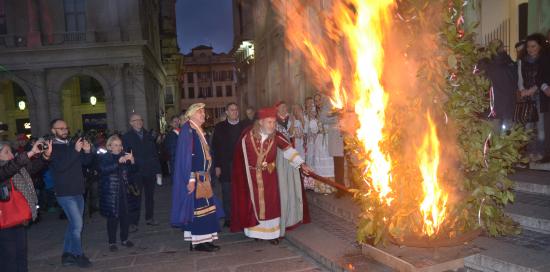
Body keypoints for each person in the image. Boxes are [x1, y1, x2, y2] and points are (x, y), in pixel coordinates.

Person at [231, 107, 313, 244]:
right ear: (260, 122)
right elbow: (239, 158)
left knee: (271, 204)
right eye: (269, 122)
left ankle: (272, 235)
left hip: (270, 177)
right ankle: (256, 232)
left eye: (274, 123)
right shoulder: (247, 136)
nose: (273, 125)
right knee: (254, 205)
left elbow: (288, 151)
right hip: (251, 179)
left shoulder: (276, 137)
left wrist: (301, 164)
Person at [170, 103, 222, 252]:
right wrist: (191, 179)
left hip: (204, 177)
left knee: (207, 209)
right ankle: (199, 243)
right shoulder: (188, 131)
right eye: (200, 112)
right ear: (191, 114)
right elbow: (188, 158)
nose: (203, 115)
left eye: (203, 112)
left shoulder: (197, 130)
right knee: (199, 210)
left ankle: (205, 240)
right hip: (197, 178)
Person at [0, 140, 51, 272]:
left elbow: (33, 168)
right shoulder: (5, 169)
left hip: (18, 216)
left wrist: (45, 156)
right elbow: (9, 169)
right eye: (6, 152)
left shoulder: (16, 167)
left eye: (11, 151)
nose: (11, 155)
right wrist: (31, 152)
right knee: (8, 257)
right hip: (3, 220)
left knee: (21, 253)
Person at [49, 119, 94, 267]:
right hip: (64, 192)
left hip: (78, 190)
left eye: (66, 128)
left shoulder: (70, 144)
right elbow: (61, 166)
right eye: (60, 128)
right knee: (77, 225)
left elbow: (85, 162)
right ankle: (78, 255)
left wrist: (87, 150)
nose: (64, 130)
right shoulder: (51, 147)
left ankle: (67, 254)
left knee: (73, 224)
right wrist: (75, 150)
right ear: (53, 130)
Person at [122, 113, 162, 231]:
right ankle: (133, 222)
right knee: (135, 198)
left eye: (140, 119)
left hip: (150, 171)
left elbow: (155, 154)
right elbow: (127, 155)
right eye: (135, 120)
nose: (139, 122)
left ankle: (149, 218)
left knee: (150, 197)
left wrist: (158, 170)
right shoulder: (127, 137)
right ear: (131, 123)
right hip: (136, 172)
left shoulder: (149, 135)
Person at [98, 135, 136, 252]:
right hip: (111, 192)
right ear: (109, 146)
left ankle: (124, 239)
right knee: (112, 218)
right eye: (115, 145)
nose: (118, 147)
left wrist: (133, 161)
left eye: (120, 145)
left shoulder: (124, 155)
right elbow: (103, 170)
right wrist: (118, 163)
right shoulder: (105, 157)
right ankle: (112, 242)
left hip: (125, 191)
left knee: (125, 216)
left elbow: (133, 172)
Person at [212, 102, 246, 228]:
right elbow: (215, 148)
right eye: (232, 110)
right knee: (227, 193)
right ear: (226, 112)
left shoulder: (245, 126)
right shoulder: (220, 127)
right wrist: (217, 166)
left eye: (236, 110)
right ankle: (228, 217)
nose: (235, 112)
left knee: (242, 192)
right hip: (226, 165)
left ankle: (242, 216)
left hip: (242, 165)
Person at [517, 33, 549, 162]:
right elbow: (520, 78)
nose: (530, 49)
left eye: (533, 46)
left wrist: (532, 90)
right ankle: (530, 152)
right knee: (528, 127)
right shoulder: (522, 61)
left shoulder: (544, 60)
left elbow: (542, 78)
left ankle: (540, 152)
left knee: (540, 127)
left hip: (540, 98)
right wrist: (522, 90)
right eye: (528, 46)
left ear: (539, 47)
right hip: (527, 98)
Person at [482, 39, 518, 134]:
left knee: (492, 139)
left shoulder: (486, 65)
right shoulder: (511, 64)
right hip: (508, 105)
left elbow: (482, 85)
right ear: (502, 48)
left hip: (492, 106)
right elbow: (515, 83)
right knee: (507, 139)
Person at [317, 93, 346, 196]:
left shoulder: (347, 98)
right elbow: (322, 118)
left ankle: (354, 189)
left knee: (352, 164)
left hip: (349, 135)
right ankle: (340, 189)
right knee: (338, 164)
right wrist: (336, 118)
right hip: (336, 137)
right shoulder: (329, 102)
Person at [305, 108, 336, 194]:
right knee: (320, 163)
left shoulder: (330, 119)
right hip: (320, 141)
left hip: (329, 140)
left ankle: (332, 187)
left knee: (330, 162)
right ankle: (322, 187)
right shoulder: (314, 121)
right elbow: (314, 131)